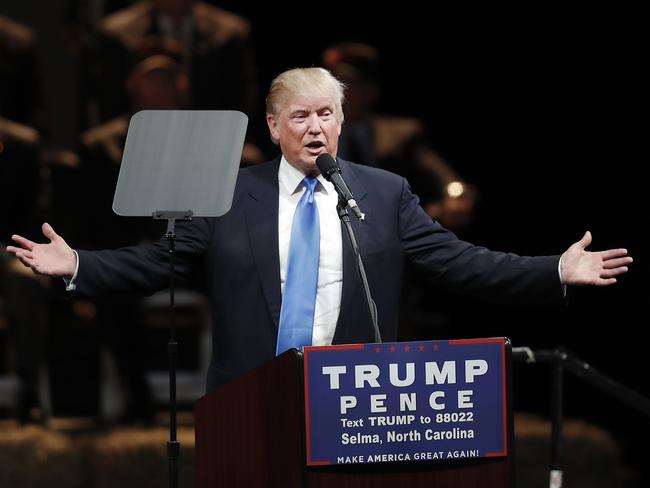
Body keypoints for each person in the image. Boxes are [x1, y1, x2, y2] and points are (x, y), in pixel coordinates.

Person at [6, 67, 632, 394]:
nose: (315, 127)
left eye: (326, 114)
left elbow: (459, 261)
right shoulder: (229, 193)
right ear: (274, 127)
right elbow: (160, 262)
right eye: (300, 116)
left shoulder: (383, 192)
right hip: (251, 393)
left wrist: (554, 268)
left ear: (340, 120)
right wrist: (79, 266)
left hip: (356, 396)